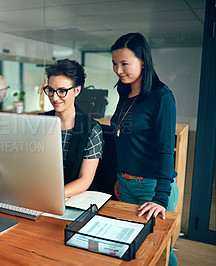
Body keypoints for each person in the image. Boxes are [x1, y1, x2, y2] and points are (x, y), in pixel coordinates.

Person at [110, 33, 179, 266]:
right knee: (131, 248)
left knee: (159, 250)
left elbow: (166, 150)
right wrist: (122, 175)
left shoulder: (162, 96)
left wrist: (160, 198)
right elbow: (123, 139)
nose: (119, 70)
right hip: (126, 183)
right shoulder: (124, 92)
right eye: (114, 64)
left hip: (152, 187)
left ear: (143, 61)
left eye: (124, 64)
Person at [40, 59, 104, 199]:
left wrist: (55, 196)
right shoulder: (39, 123)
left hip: (75, 198)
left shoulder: (92, 130)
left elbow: (85, 180)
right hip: (41, 194)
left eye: (62, 91)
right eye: (50, 90)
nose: (54, 97)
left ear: (77, 90)